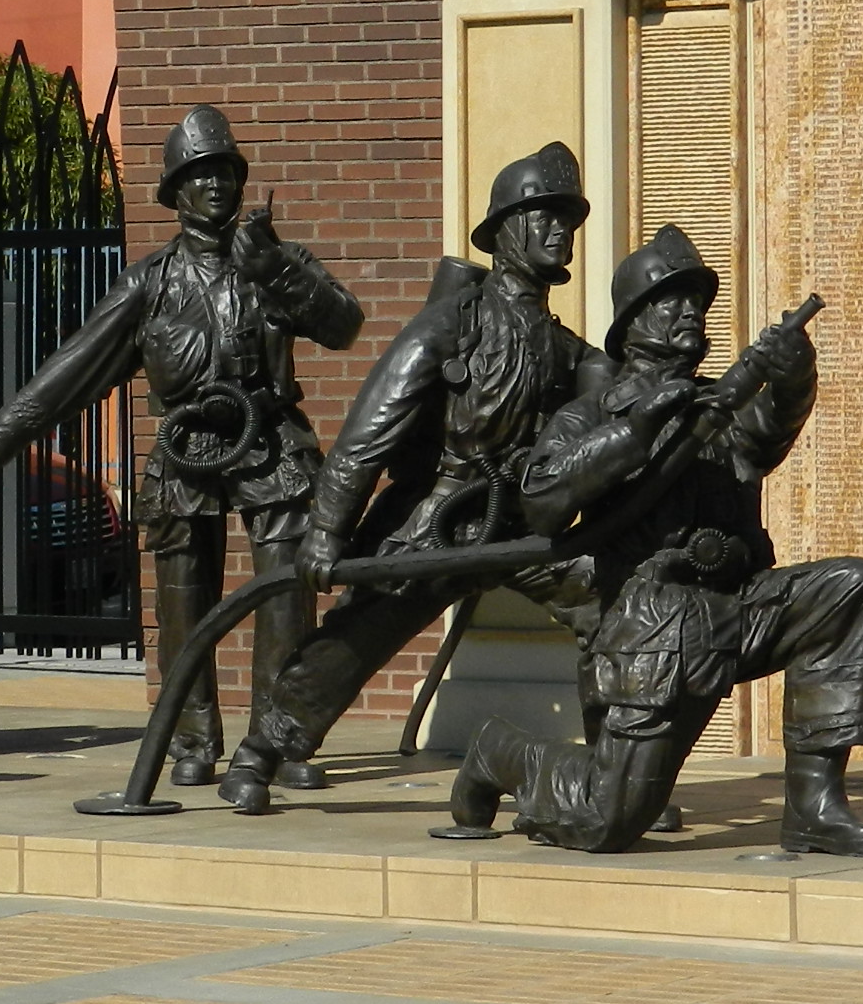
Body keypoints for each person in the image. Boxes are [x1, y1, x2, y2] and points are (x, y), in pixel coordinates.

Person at [434, 224, 863, 857]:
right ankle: (500, 753)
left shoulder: (718, 411)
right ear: (631, 321)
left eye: (697, 303)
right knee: (607, 820)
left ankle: (814, 806)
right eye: (670, 300)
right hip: (653, 626)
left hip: (742, 606)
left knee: (848, 586)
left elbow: (767, 433)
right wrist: (636, 431)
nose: (689, 313)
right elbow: (541, 500)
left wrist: (791, 380)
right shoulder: (594, 413)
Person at [0, 104, 363, 788]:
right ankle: (193, 738)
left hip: (268, 441)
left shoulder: (276, 261)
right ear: (175, 192)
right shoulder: (149, 284)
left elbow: (345, 326)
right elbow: (69, 370)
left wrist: (280, 271)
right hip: (185, 447)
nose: (217, 184)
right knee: (181, 601)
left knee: (288, 591)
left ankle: (277, 740)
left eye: (225, 170)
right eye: (201, 174)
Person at [215, 140, 604, 815]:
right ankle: (261, 752)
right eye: (542, 214)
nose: (558, 230)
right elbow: (369, 433)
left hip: (518, 521)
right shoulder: (452, 323)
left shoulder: (566, 348)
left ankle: (618, 773)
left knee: (610, 608)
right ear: (505, 229)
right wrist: (326, 534)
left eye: (566, 218)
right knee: (357, 635)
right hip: (438, 515)